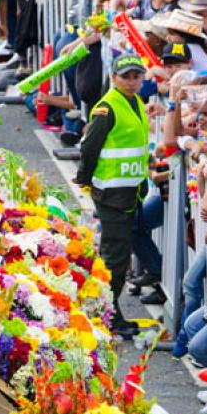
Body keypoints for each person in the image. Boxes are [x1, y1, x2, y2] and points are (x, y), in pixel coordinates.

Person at [76, 53, 150, 338]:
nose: (132, 82)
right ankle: (103, 311)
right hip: (111, 192)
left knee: (118, 256)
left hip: (129, 191)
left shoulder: (136, 103)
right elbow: (90, 146)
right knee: (115, 258)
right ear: (113, 77)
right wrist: (84, 177)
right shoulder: (107, 107)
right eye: (126, 77)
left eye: (136, 76)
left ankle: (108, 311)